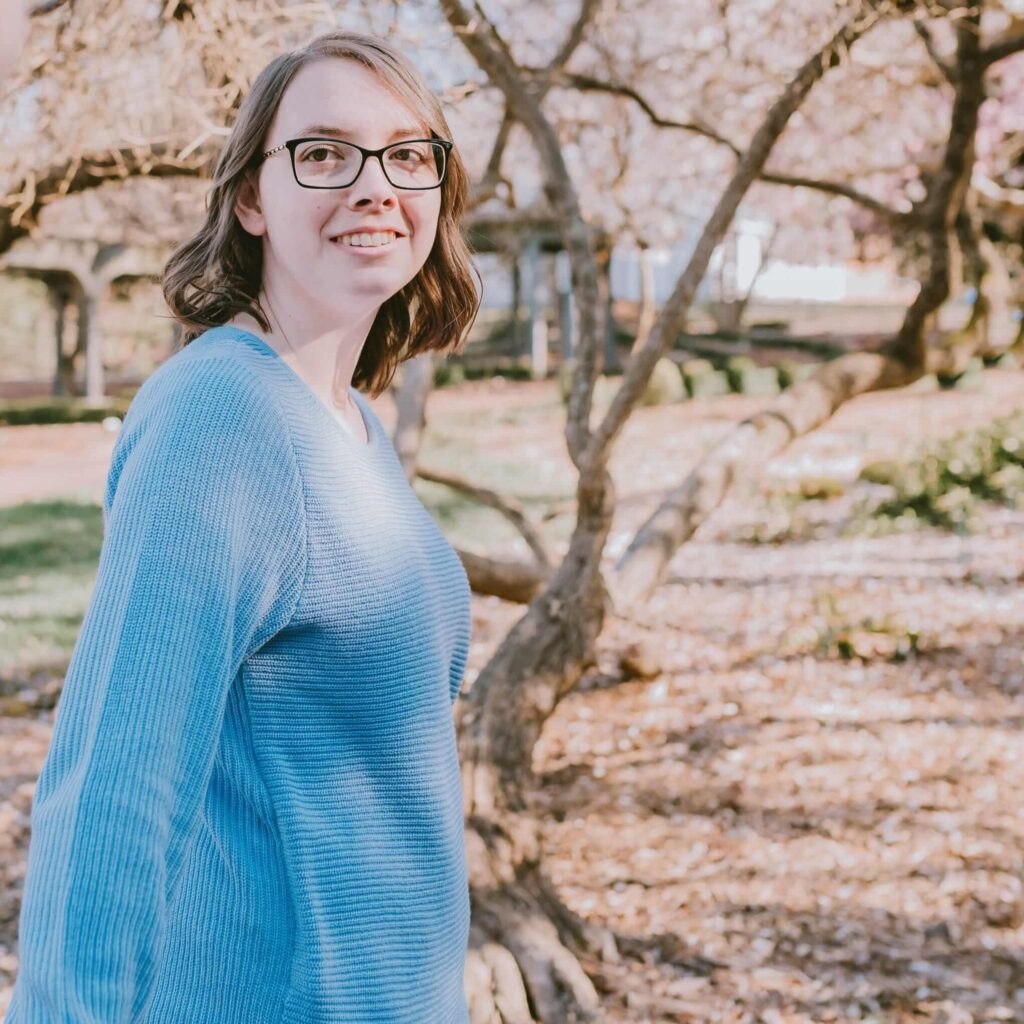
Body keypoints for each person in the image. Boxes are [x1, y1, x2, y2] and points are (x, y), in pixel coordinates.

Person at [5, 29, 481, 1024]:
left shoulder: (351, 422)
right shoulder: (220, 416)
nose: (372, 185)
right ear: (251, 199)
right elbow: (114, 792)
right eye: (322, 152)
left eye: (407, 153)